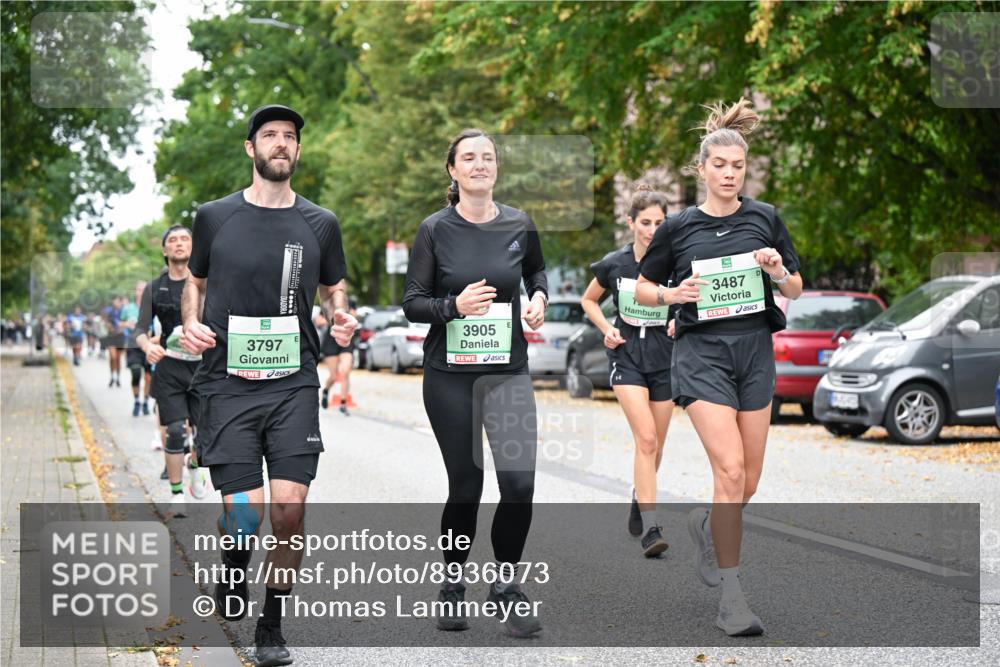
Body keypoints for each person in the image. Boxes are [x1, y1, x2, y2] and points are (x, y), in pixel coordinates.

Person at [180, 104, 355, 667]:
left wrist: (342, 314)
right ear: (251, 149)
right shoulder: (213, 217)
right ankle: (234, 570)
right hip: (227, 382)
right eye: (270, 136)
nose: (281, 143)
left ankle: (272, 626)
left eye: (290, 137)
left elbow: (335, 289)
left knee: (289, 510)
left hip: (293, 383)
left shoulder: (321, 222)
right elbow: (196, 285)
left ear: (298, 151)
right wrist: (190, 322)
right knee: (247, 516)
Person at [635, 98, 802, 637]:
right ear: (702, 169)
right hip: (702, 354)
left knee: (747, 482)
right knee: (728, 471)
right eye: (720, 166)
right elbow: (641, 285)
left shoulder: (765, 218)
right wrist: (669, 293)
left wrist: (778, 271)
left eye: (738, 167)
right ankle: (733, 598)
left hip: (754, 351)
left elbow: (796, 286)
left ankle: (705, 523)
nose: (730, 174)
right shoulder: (679, 227)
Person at [403, 128, 548, 637]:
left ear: (495, 168)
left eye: (487, 157)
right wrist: (453, 307)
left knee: (520, 484)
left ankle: (506, 585)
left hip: (507, 370)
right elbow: (413, 301)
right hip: (450, 377)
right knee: (467, 485)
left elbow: (537, 274)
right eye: (470, 157)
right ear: (453, 170)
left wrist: (538, 301)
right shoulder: (434, 230)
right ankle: (452, 583)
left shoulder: (519, 223)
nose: (480, 164)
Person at [580, 184, 675, 557]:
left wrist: (680, 320)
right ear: (631, 222)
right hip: (628, 355)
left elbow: (693, 297)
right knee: (646, 439)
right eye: (646, 222)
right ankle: (652, 528)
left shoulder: (675, 261)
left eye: (659, 223)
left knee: (658, 445)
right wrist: (607, 329)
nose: (652, 230)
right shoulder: (615, 263)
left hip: (666, 358)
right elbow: (588, 300)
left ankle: (641, 493)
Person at [137, 227, 208, 516]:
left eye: (185, 239)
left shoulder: (208, 284)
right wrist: (146, 347)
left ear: (194, 247)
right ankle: (177, 495)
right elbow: (139, 330)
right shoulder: (155, 287)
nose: (179, 244)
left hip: (204, 369)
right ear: (165, 251)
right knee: (176, 431)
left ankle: (195, 466)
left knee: (206, 438)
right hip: (170, 369)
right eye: (173, 241)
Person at [317, 298, 358, 414]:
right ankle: (326, 391)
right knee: (334, 376)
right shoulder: (328, 302)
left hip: (346, 339)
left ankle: (343, 403)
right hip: (331, 340)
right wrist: (332, 319)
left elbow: (355, 316)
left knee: (345, 371)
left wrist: (349, 315)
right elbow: (319, 321)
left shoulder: (350, 301)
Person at [126, 281, 154, 416]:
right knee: (136, 373)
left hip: (149, 345)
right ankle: (137, 401)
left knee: (148, 378)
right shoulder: (128, 308)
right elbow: (120, 322)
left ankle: (145, 402)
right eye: (139, 289)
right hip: (133, 345)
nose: (141, 292)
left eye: (144, 289)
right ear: (135, 291)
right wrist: (127, 324)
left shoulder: (152, 306)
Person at [104, 296, 125, 386]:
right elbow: (106, 322)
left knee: (118, 359)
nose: (116, 303)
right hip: (111, 337)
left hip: (120, 337)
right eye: (115, 301)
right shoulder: (109, 311)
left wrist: (121, 328)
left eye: (118, 301)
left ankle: (117, 377)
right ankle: (112, 376)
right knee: (113, 357)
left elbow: (126, 323)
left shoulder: (123, 312)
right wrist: (109, 326)